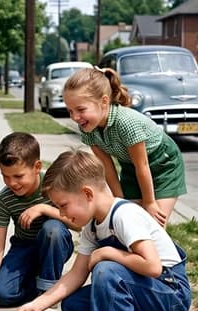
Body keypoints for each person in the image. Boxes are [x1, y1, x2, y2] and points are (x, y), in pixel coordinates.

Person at [14, 149, 191, 311]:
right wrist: (38, 304)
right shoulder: (93, 228)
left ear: (87, 193)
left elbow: (153, 266)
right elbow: (75, 275)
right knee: (74, 305)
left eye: (63, 205)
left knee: (106, 270)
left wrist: (110, 253)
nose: (62, 214)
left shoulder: (124, 215)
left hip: (171, 294)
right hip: (150, 292)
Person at [62, 67, 186, 227]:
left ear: (104, 101)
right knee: (127, 219)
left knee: (153, 224)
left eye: (80, 109)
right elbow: (107, 166)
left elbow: (142, 165)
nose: (75, 117)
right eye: (70, 111)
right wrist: (119, 201)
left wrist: (149, 202)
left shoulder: (126, 123)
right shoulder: (87, 127)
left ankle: (168, 252)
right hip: (131, 166)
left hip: (164, 164)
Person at [0, 132, 77, 311]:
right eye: (5, 176)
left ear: (37, 167)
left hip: (55, 243)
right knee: (2, 295)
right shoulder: (5, 198)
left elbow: (78, 223)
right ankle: (39, 282)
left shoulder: (54, 186)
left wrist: (44, 209)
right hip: (23, 247)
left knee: (52, 229)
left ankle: (48, 293)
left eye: (18, 176)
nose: (11, 183)